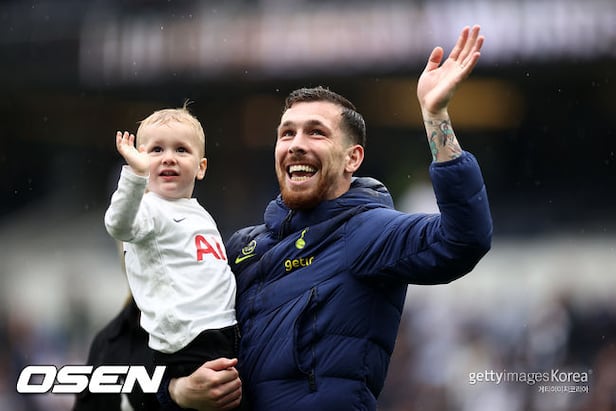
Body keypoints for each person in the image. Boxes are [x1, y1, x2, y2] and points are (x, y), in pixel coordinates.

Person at [164, 24, 492, 411]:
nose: (296, 144)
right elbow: (173, 339)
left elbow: (463, 239)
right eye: (287, 134)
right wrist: (178, 391)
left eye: (316, 133)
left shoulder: (366, 231)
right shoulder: (241, 248)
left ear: (353, 158)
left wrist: (436, 116)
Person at [104, 105, 240, 396]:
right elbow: (118, 225)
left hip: (222, 332)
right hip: (188, 342)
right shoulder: (148, 209)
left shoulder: (199, 213)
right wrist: (135, 175)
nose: (168, 157)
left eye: (181, 149)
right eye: (156, 150)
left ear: (201, 167)